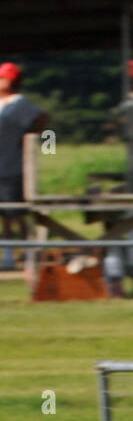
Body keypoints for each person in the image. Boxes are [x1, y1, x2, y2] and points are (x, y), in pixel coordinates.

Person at [0, 62, 49, 272]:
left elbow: (45, 121)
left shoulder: (22, 106)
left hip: (13, 167)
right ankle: (9, 254)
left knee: (17, 214)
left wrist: (47, 147)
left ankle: (29, 255)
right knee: (4, 216)